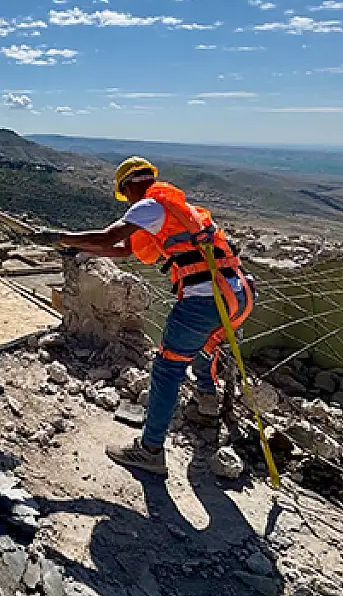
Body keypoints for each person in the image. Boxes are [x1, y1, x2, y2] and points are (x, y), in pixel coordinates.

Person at [58, 157, 254, 476]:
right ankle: (207, 400)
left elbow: (109, 238)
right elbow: (124, 250)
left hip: (205, 299)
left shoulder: (148, 205)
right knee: (210, 343)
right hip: (240, 292)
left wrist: (64, 238)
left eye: (125, 194)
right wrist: (83, 249)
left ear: (130, 185)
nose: (128, 201)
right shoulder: (179, 209)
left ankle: (150, 451)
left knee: (167, 370)